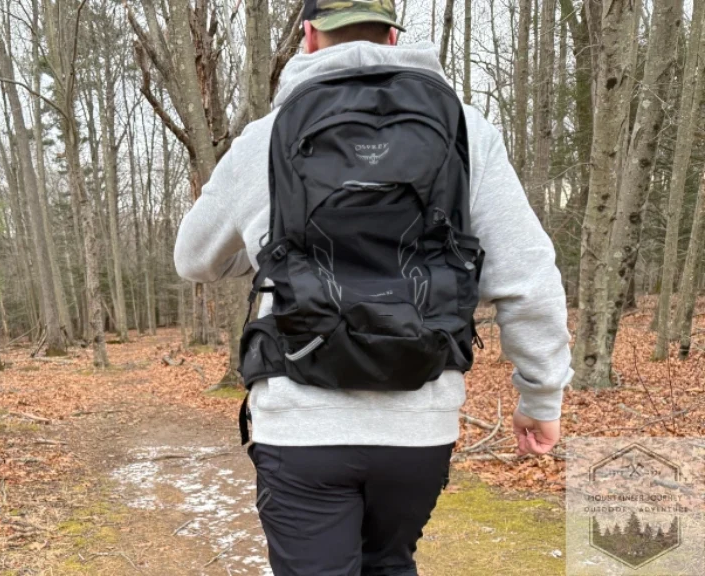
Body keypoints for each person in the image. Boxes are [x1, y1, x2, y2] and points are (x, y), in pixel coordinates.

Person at [173, 1, 573, 574]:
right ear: (392, 35)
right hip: (418, 426)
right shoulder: (465, 128)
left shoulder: (266, 138)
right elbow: (528, 275)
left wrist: (262, 250)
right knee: (389, 563)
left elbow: (193, 259)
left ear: (308, 36)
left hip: (301, 423)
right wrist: (540, 397)